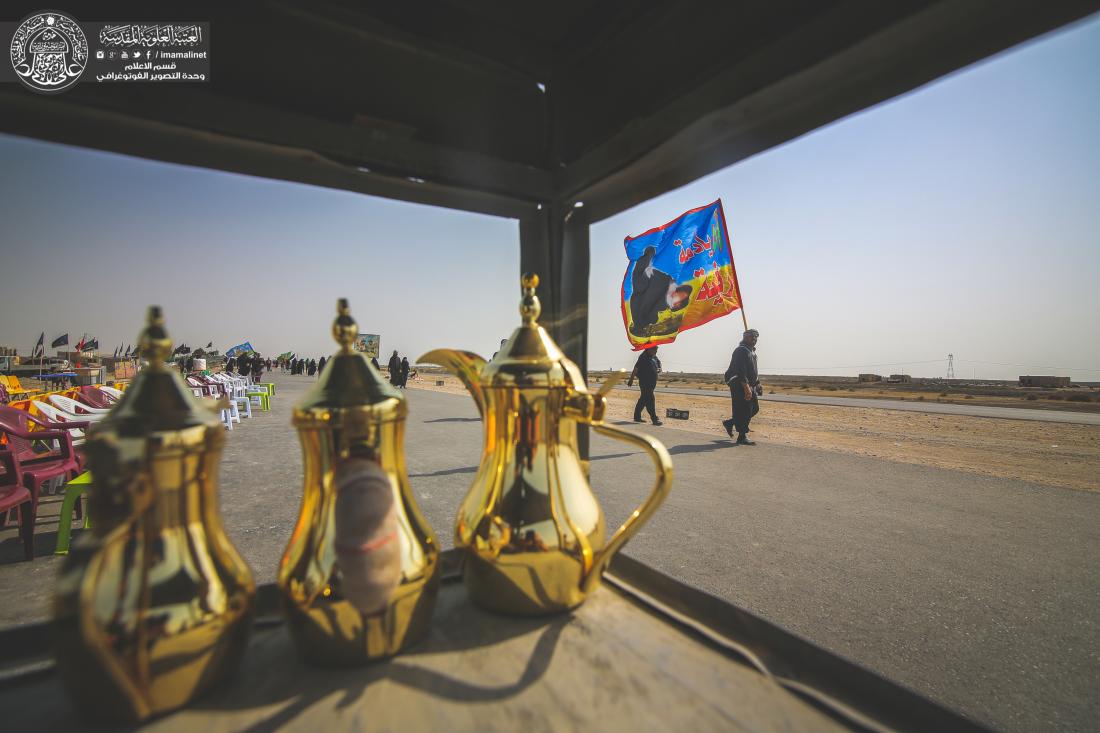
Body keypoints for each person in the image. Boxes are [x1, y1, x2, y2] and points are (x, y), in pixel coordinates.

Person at [628, 246, 693, 336]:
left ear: (678, 304)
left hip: (645, 326)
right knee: (641, 281)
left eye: (681, 298)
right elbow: (643, 276)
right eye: (680, 293)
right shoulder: (664, 282)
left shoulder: (666, 311)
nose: (678, 296)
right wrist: (648, 256)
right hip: (642, 298)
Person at [722, 329, 761, 445]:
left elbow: (753, 371)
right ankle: (742, 436)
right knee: (744, 409)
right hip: (739, 384)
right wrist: (746, 387)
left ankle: (730, 423)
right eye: (751, 337)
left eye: (756, 338)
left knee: (754, 408)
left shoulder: (752, 352)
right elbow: (741, 371)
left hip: (749, 384)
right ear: (745, 337)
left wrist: (758, 383)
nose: (754, 339)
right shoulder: (741, 351)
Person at [627, 346, 663, 426]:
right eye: (654, 350)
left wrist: (659, 368)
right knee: (650, 399)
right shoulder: (643, 357)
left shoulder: (654, 357)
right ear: (649, 349)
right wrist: (631, 379)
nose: (656, 352)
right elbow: (636, 368)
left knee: (643, 399)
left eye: (656, 350)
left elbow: (659, 363)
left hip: (652, 382)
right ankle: (654, 419)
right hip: (644, 382)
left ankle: (637, 417)